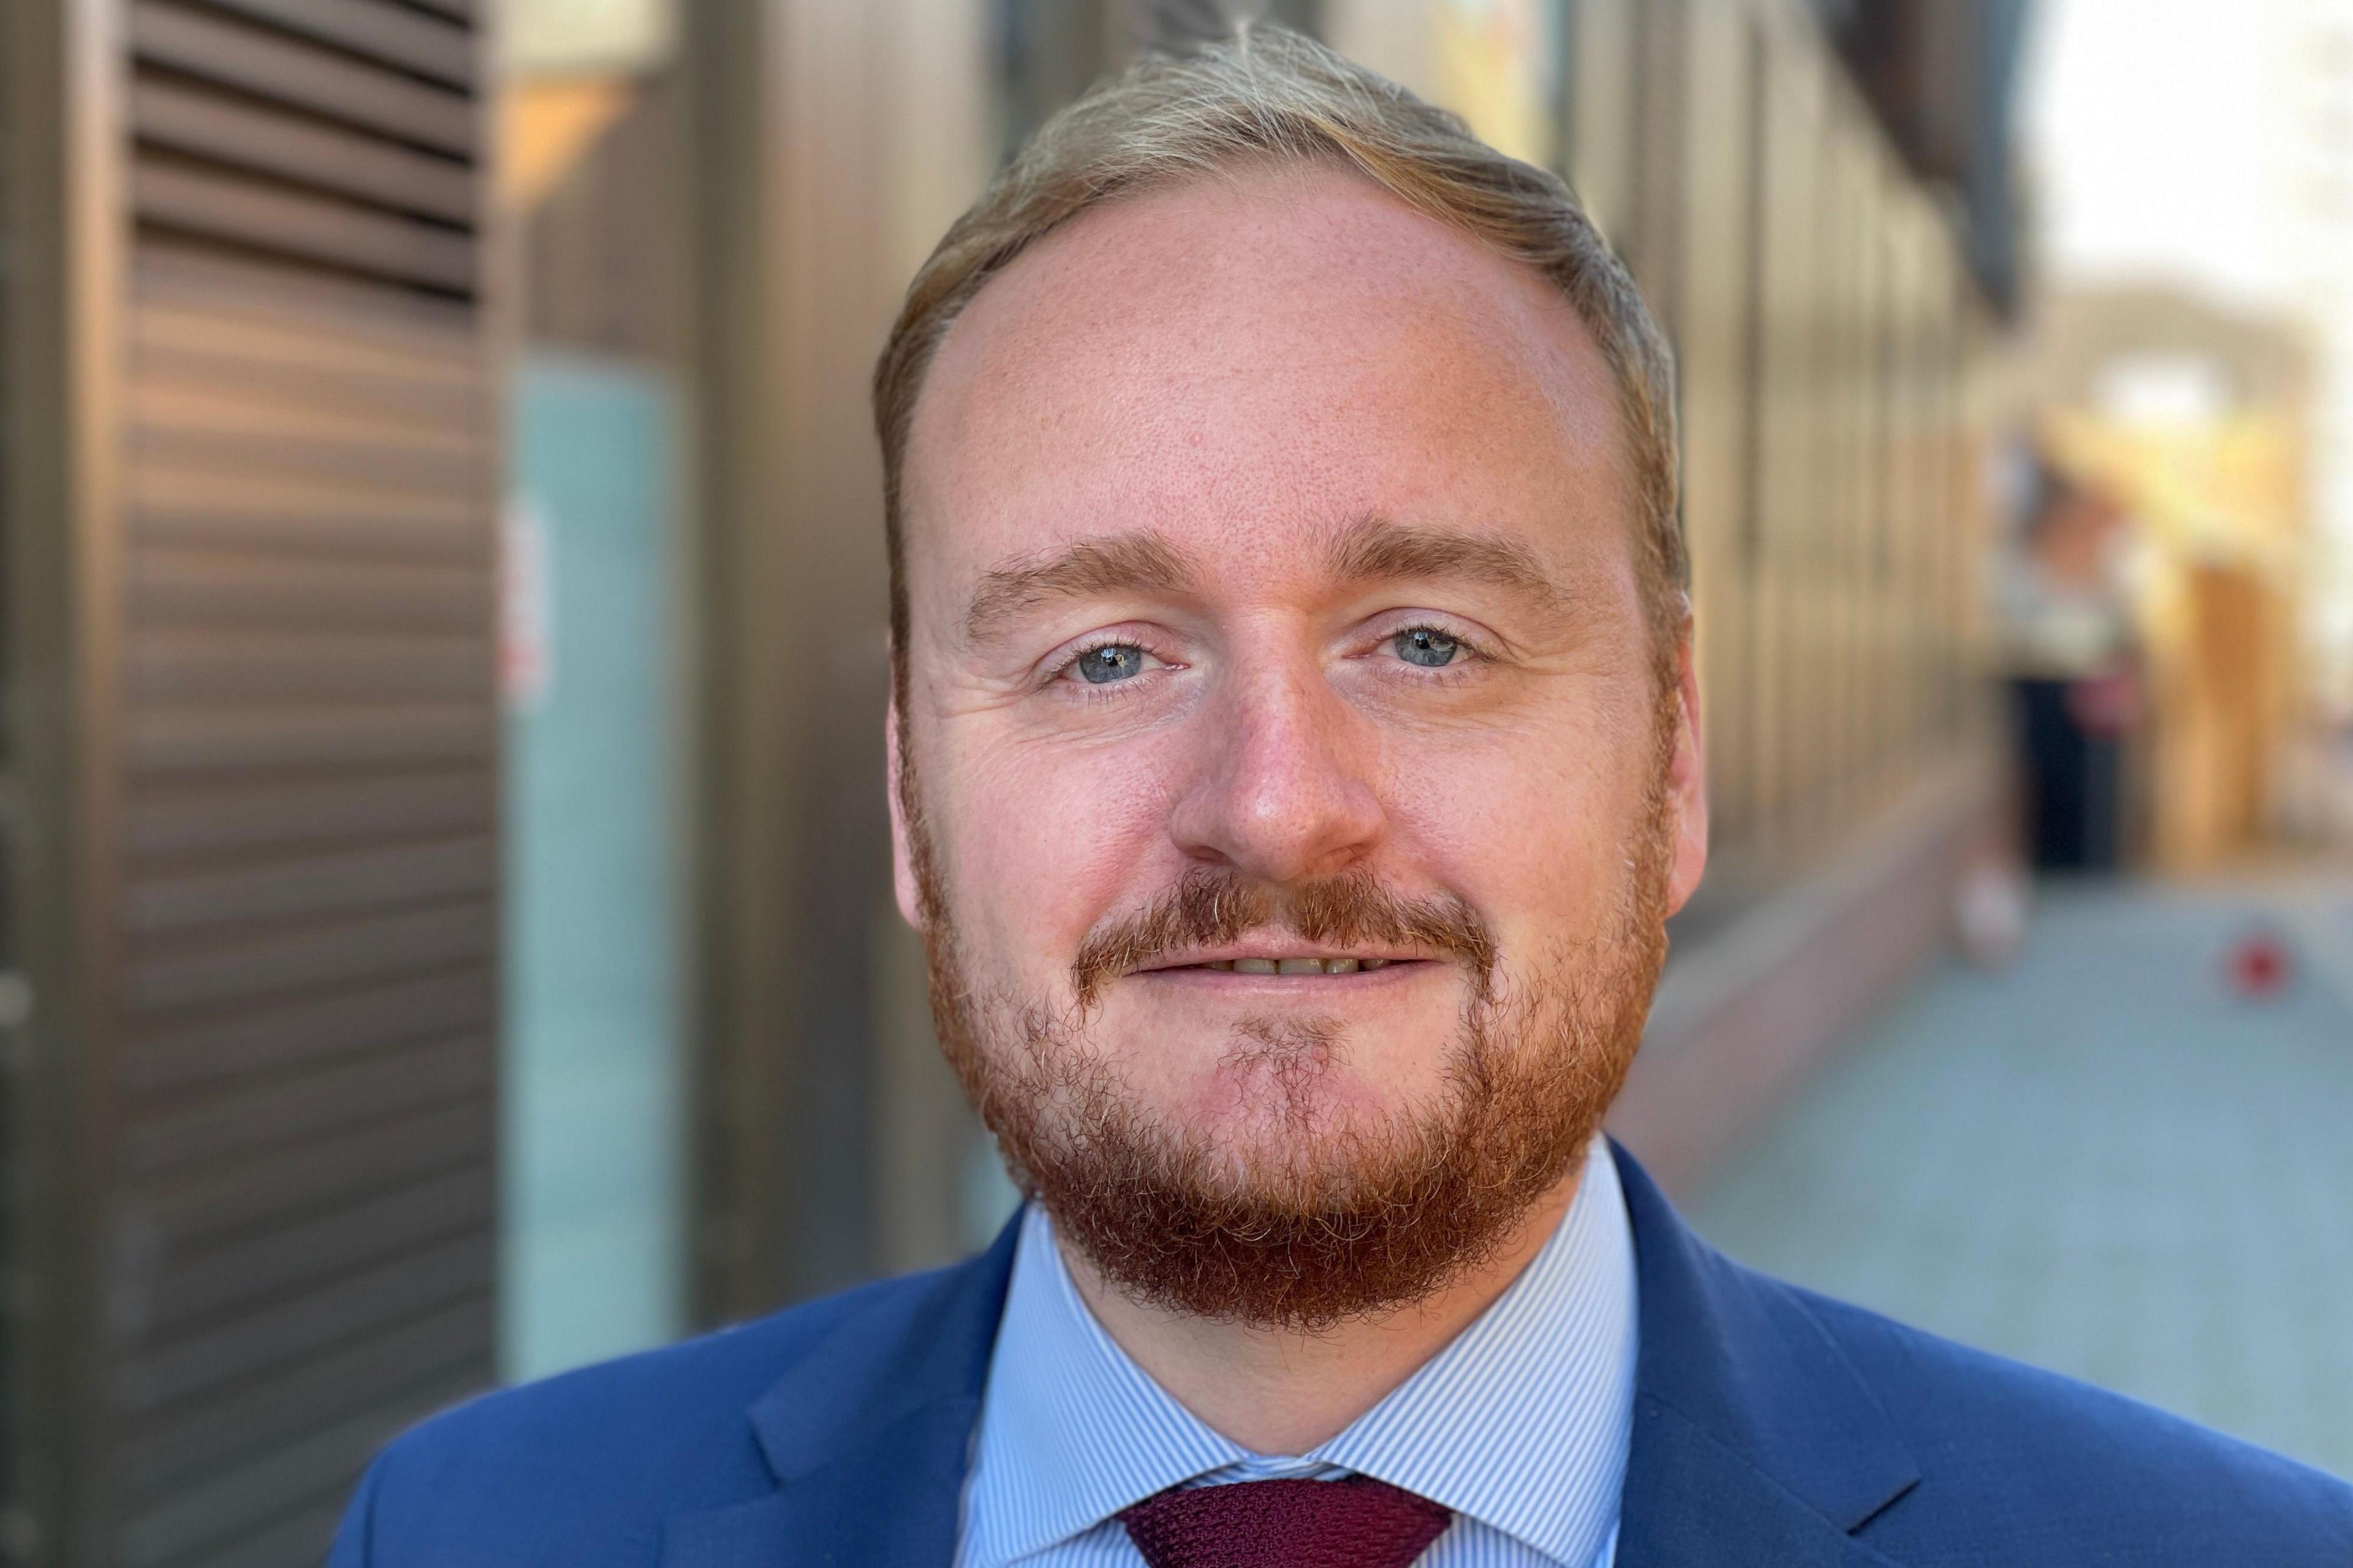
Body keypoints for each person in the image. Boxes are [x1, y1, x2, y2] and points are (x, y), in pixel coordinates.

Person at [330, 31, 2353, 1567]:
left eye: (1429, 644)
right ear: (906, 798)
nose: (1278, 809)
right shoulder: (475, 1532)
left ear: (1674, 765)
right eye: (1104, 654)